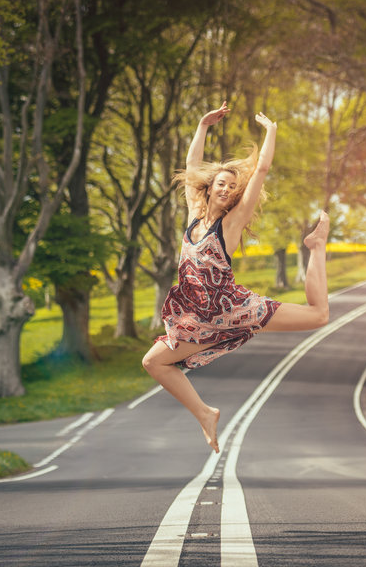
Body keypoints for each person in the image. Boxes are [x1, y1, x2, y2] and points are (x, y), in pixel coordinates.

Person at [141, 101, 330, 453]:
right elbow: (192, 166)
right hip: (198, 318)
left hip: (234, 310)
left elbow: (261, 171)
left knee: (319, 315)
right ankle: (205, 414)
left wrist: (271, 132)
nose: (226, 189)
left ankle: (317, 246)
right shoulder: (195, 217)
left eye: (232, 186)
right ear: (209, 188)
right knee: (154, 361)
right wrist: (202, 126)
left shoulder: (229, 225)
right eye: (221, 184)